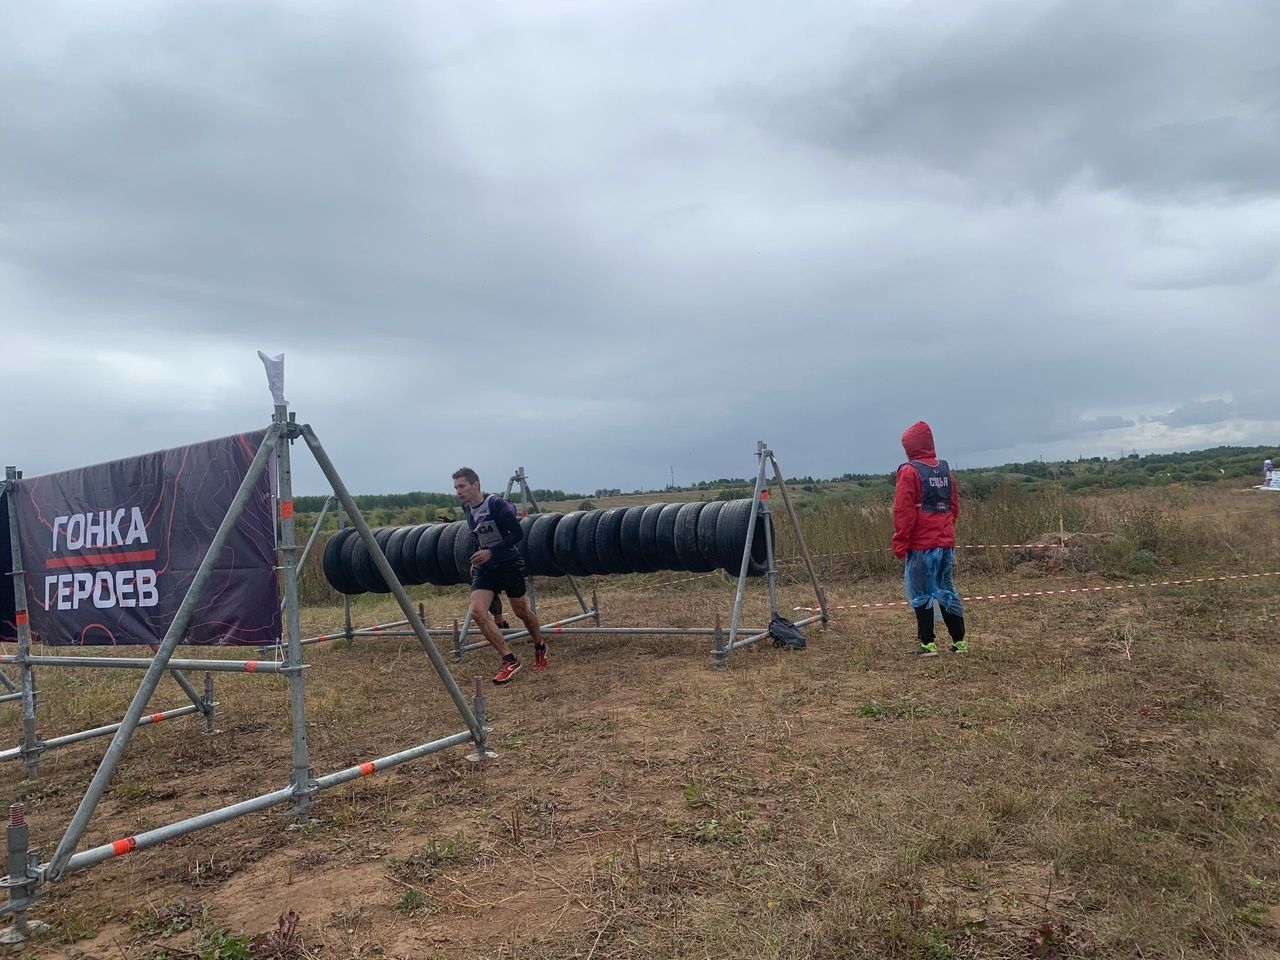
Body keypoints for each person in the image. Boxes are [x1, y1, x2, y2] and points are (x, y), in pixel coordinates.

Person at [452, 467, 547, 683]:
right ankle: (509, 660)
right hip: (486, 568)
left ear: (475, 485)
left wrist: (491, 552)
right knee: (477, 612)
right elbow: (477, 533)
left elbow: (517, 534)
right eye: (456, 487)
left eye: (462, 486)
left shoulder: (496, 505)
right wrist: (476, 557)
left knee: (521, 611)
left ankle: (540, 644)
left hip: (508, 563)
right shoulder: (466, 507)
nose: (458, 491)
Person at [892, 421, 966, 657]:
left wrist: (900, 542)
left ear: (910, 446)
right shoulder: (944, 470)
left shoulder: (909, 471)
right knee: (946, 588)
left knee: (921, 592)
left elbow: (903, 511)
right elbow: (953, 507)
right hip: (945, 543)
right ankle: (959, 641)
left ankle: (927, 643)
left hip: (921, 545)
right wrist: (944, 529)